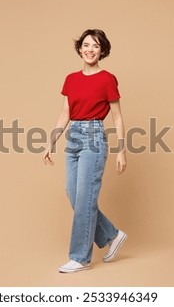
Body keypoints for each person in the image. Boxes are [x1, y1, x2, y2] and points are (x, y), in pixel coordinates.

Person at [42, 29, 128, 273]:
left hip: (94, 137)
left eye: (96, 46)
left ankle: (80, 257)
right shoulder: (71, 79)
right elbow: (64, 114)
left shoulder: (108, 79)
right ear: (80, 48)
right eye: (87, 45)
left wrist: (122, 151)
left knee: (84, 199)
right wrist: (51, 142)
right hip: (74, 138)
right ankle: (112, 234)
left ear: (102, 51)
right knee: (75, 194)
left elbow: (118, 117)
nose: (90, 49)